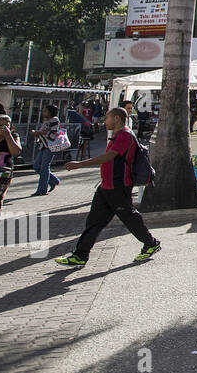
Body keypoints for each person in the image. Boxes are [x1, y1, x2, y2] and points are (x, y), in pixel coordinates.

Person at [55, 107, 161, 266]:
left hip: (118, 186)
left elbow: (108, 157)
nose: (105, 121)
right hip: (106, 187)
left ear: (117, 119)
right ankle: (80, 255)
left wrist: (80, 164)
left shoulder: (125, 135)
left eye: (107, 118)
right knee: (94, 222)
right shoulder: (119, 135)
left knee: (129, 217)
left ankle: (151, 243)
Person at [32, 104, 63, 196]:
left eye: (45, 111)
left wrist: (39, 132)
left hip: (49, 147)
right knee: (37, 166)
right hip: (43, 146)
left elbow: (53, 135)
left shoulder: (54, 120)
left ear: (50, 112)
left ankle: (42, 190)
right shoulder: (46, 121)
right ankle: (53, 180)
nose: (43, 112)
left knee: (44, 167)